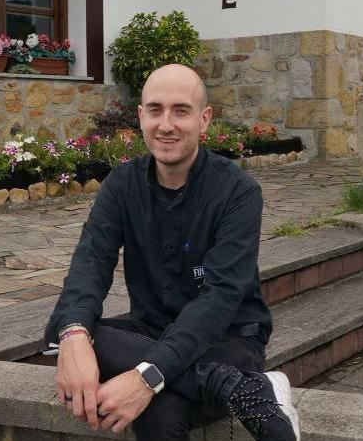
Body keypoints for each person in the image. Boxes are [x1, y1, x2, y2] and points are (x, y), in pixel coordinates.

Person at [45, 64, 300, 441]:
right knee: (66, 327)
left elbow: (219, 299)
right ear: (141, 117)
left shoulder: (238, 192)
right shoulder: (121, 185)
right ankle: (234, 387)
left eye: (181, 110)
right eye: (155, 110)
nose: (166, 124)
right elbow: (89, 264)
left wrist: (146, 377)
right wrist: (74, 336)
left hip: (226, 338)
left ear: (204, 119)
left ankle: (220, 376)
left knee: (160, 408)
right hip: (150, 330)